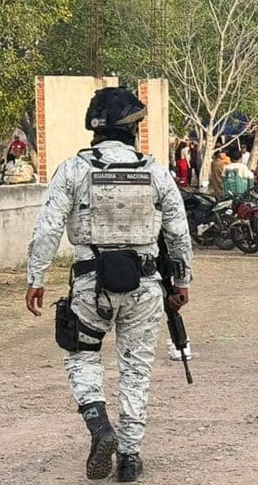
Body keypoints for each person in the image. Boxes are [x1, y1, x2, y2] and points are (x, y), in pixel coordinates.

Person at [24, 87, 193, 481]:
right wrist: (182, 280)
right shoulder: (155, 171)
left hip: (90, 282)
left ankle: (100, 425)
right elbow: (178, 232)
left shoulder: (74, 169)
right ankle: (129, 457)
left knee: (82, 356)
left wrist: (36, 277)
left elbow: (47, 228)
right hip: (145, 285)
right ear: (133, 128)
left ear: (94, 128)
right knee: (136, 368)